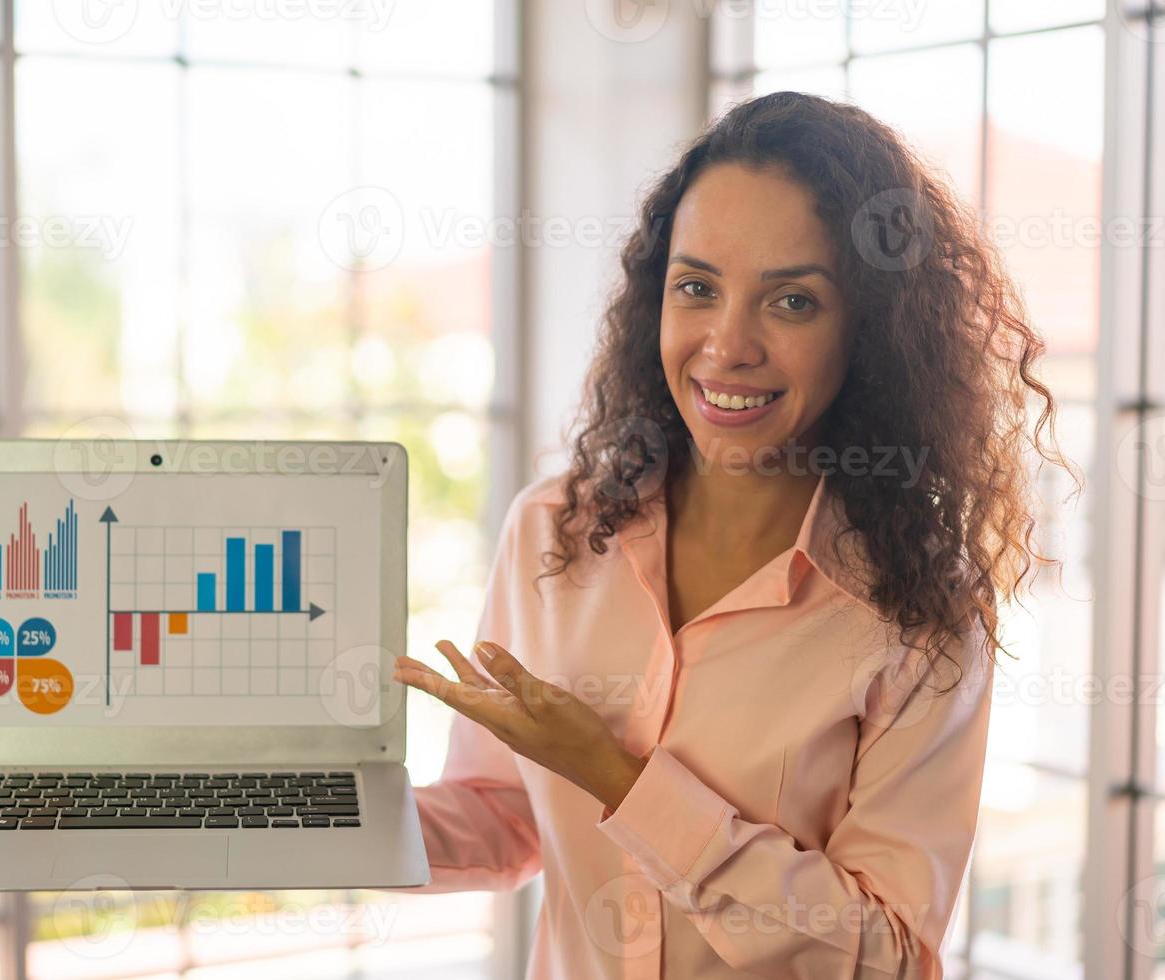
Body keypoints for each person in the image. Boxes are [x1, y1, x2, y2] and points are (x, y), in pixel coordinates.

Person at [385, 91, 1078, 978]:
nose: (727, 345)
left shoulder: (919, 615)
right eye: (698, 288)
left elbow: (891, 958)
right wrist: (307, 819)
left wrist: (623, 783)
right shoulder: (554, 531)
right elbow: (504, 819)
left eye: (791, 302)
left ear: (866, 332)